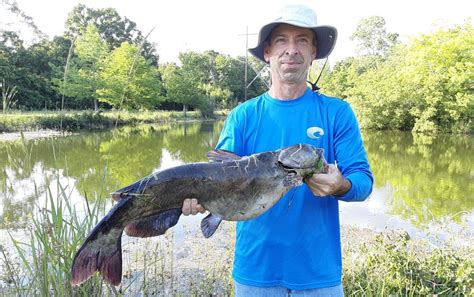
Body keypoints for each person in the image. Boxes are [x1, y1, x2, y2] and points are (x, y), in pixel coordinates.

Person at [182, 4, 373, 296]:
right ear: (268, 52)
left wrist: (341, 185)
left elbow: (363, 182)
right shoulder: (243, 116)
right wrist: (196, 197)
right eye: (282, 40)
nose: (291, 50)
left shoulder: (337, 113)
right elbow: (218, 177)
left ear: (313, 52)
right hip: (255, 272)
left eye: (302, 40)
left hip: (319, 274)